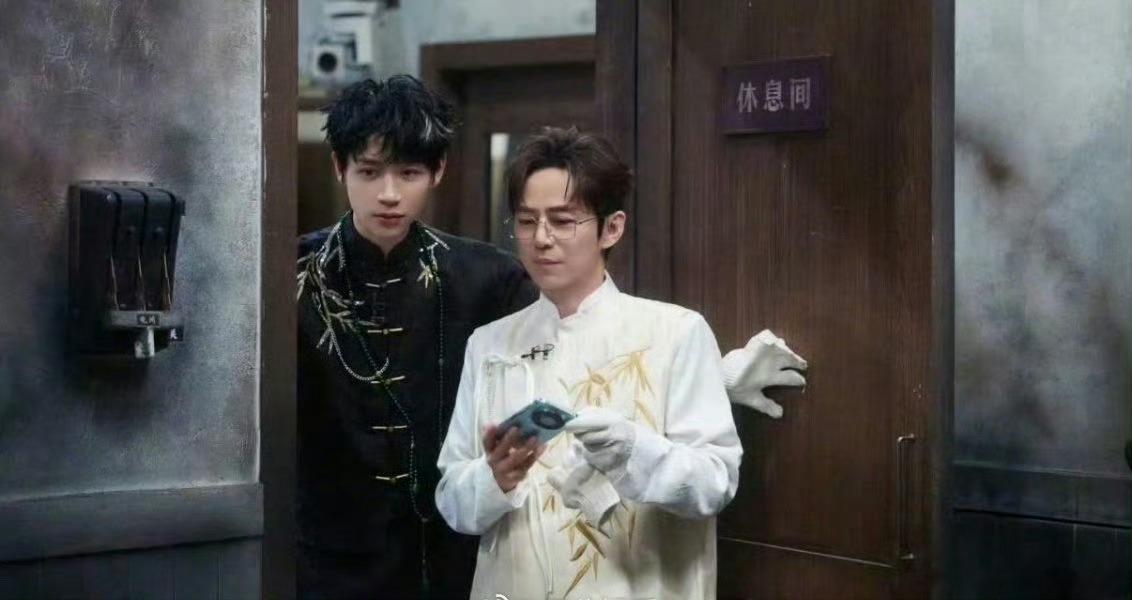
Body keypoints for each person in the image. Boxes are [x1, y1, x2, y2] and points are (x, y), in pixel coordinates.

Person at [435, 127, 744, 600]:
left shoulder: (676, 332)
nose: (541, 239)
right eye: (526, 221)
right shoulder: (490, 343)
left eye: (563, 221)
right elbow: (452, 500)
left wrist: (634, 451)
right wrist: (494, 476)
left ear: (611, 228)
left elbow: (715, 481)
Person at [295, 75, 537, 599]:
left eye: (409, 173)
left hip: (451, 550)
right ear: (339, 167)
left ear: (438, 171)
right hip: (324, 558)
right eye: (369, 172)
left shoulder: (489, 279)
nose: (389, 194)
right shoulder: (289, 277)